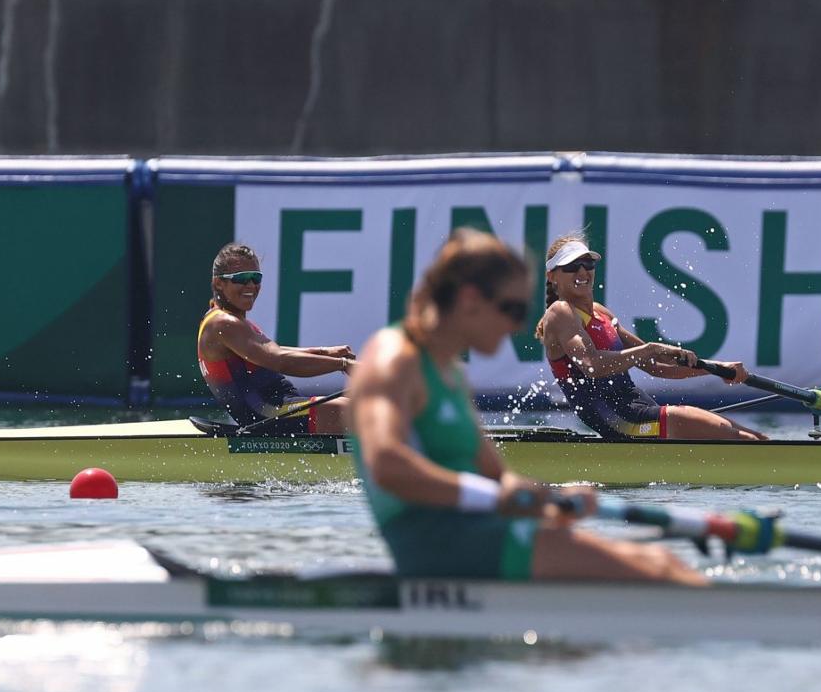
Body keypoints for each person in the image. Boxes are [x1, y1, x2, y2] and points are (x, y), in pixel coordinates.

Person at [350, 228, 705, 584]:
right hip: (444, 550)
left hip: (486, 534)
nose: (519, 326)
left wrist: (552, 500)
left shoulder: (451, 373)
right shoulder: (394, 358)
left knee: (663, 559)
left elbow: (496, 477)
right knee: (658, 571)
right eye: (512, 309)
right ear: (471, 300)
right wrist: (498, 494)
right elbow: (386, 465)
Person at [535, 233, 767, 440]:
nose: (583, 272)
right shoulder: (559, 312)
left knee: (757, 437)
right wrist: (651, 348)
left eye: (588, 263)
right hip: (619, 420)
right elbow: (592, 366)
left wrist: (718, 368)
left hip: (638, 407)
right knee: (747, 441)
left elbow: (656, 366)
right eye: (572, 266)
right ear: (552, 276)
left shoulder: (601, 313)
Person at [197, 242, 354, 434]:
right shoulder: (223, 323)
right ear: (218, 283)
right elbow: (278, 360)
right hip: (265, 414)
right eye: (242, 278)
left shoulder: (231, 320)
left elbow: (274, 351)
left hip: (278, 407)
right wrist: (343, 365)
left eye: (256, 278)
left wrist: (325, 352)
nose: (251, 285)